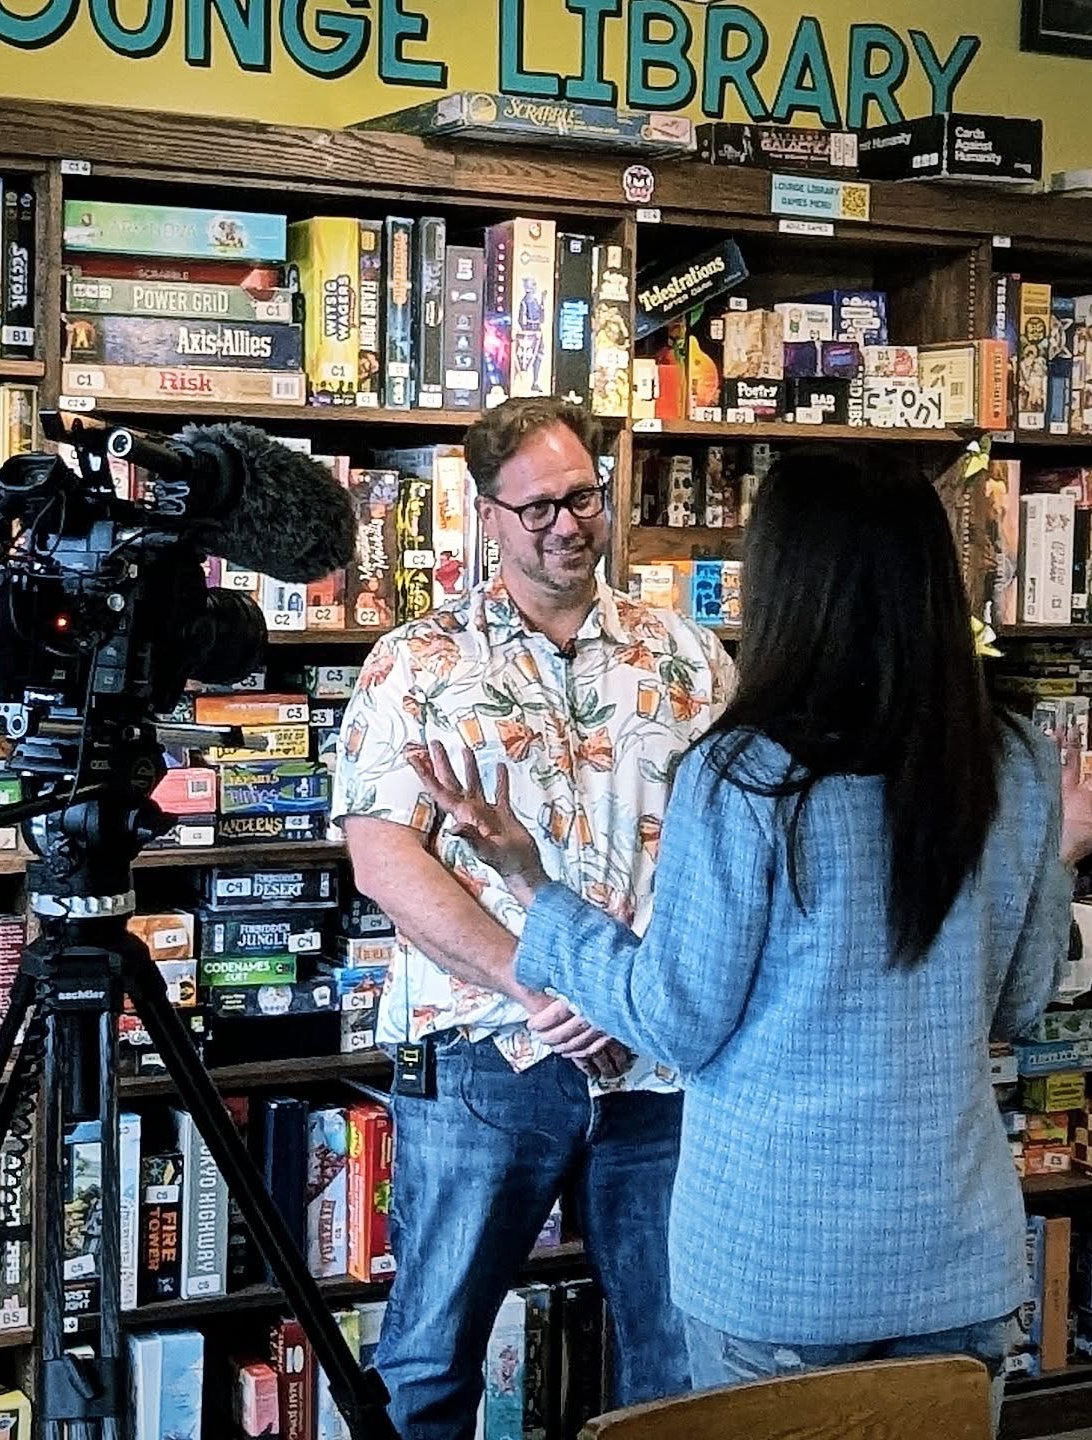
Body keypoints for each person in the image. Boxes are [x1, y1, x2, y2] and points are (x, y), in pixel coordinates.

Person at [407, 446, 1092, 1425]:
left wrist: (533, 883)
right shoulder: (1018, 760)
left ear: (789, 582)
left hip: (777, 1261)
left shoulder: (746, 774)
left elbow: (677, 1017)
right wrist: (1061, 855)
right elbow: (1020, 1002)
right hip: (957, 1257)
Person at [332, 396, 734, 1437]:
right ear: (489, 514)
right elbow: (384, 858)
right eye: (542, 504)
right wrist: (536, 979)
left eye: (585, 497)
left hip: (662, 1066)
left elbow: (736, 856)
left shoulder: (688, 659)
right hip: (483, 1063)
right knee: (428, 1357)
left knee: (682, 1358)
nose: (569, 522)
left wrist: (635, 992)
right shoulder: (415, 664)